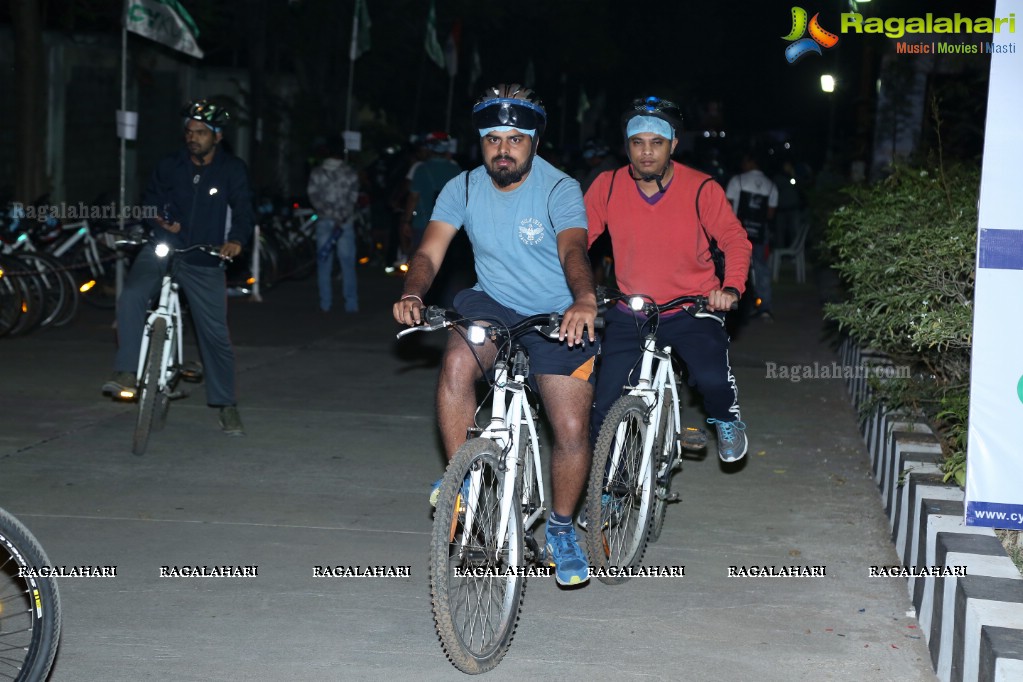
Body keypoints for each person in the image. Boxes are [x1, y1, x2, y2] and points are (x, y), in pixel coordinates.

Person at [393, 84, 599, 586]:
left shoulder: (559, 188)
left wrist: (584, 300)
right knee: (457, 361)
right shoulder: (461, 188)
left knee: (570, 428)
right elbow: (429, 252)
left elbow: (575, 249)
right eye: (492, 140)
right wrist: (414, 292)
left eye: (514, 139)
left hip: (556, 312)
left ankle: (562, 528)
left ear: (534, 142)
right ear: (480, 143)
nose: (502, 150)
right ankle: (462, 479)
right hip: (495, 303)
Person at [583, 96, 752, 463]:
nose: (646, 153)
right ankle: (609, 489)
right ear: (626, 146)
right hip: (632, 310)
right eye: (637, 143)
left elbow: (735, 240)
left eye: (656, 143)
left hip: (693, 306)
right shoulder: (607, 185)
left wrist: (731, 288)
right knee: (603, 404)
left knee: (712, 380)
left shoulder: (701, 188)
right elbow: (576, 242)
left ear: (673, 144)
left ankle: (727, 419)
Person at [101, 99, 254, 436]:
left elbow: (243, 211)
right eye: (189, 132)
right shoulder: (170, 165)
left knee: (215, 336)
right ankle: (126, 370)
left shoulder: (232, 169)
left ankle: (226, 404)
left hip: (205, 257)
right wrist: (160, 222)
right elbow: (150, 200)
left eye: (200, 132)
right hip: (164, 250)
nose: (193, 137)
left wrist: (236, 241)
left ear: (216, 136)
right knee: (131, 297)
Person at [307, 135, 360, 313]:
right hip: (345, 222)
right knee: (347, 263)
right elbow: (353, 198)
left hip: (324, 220)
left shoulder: (317, 172)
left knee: (324, 262)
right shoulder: (349, 172)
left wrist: (326, 212)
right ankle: (351, 303)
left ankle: (325, 303)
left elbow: (313, 196)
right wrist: (342, 215)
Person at [726, 151, 779, 322]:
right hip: (759, 234)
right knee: (761, 269)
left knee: (734, 269)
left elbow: (727, 209)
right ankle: (765, 308)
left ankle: (736, 307)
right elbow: (770, 214)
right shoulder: (771, 186)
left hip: (736, 234)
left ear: (750, 161)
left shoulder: (737, 181)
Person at [401, 132, 461, 253]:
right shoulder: (456, 169)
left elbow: (413, 197)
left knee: (421, 258)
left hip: (422, 223)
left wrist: (406, 221)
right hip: (449, 225)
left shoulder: (421, 169)